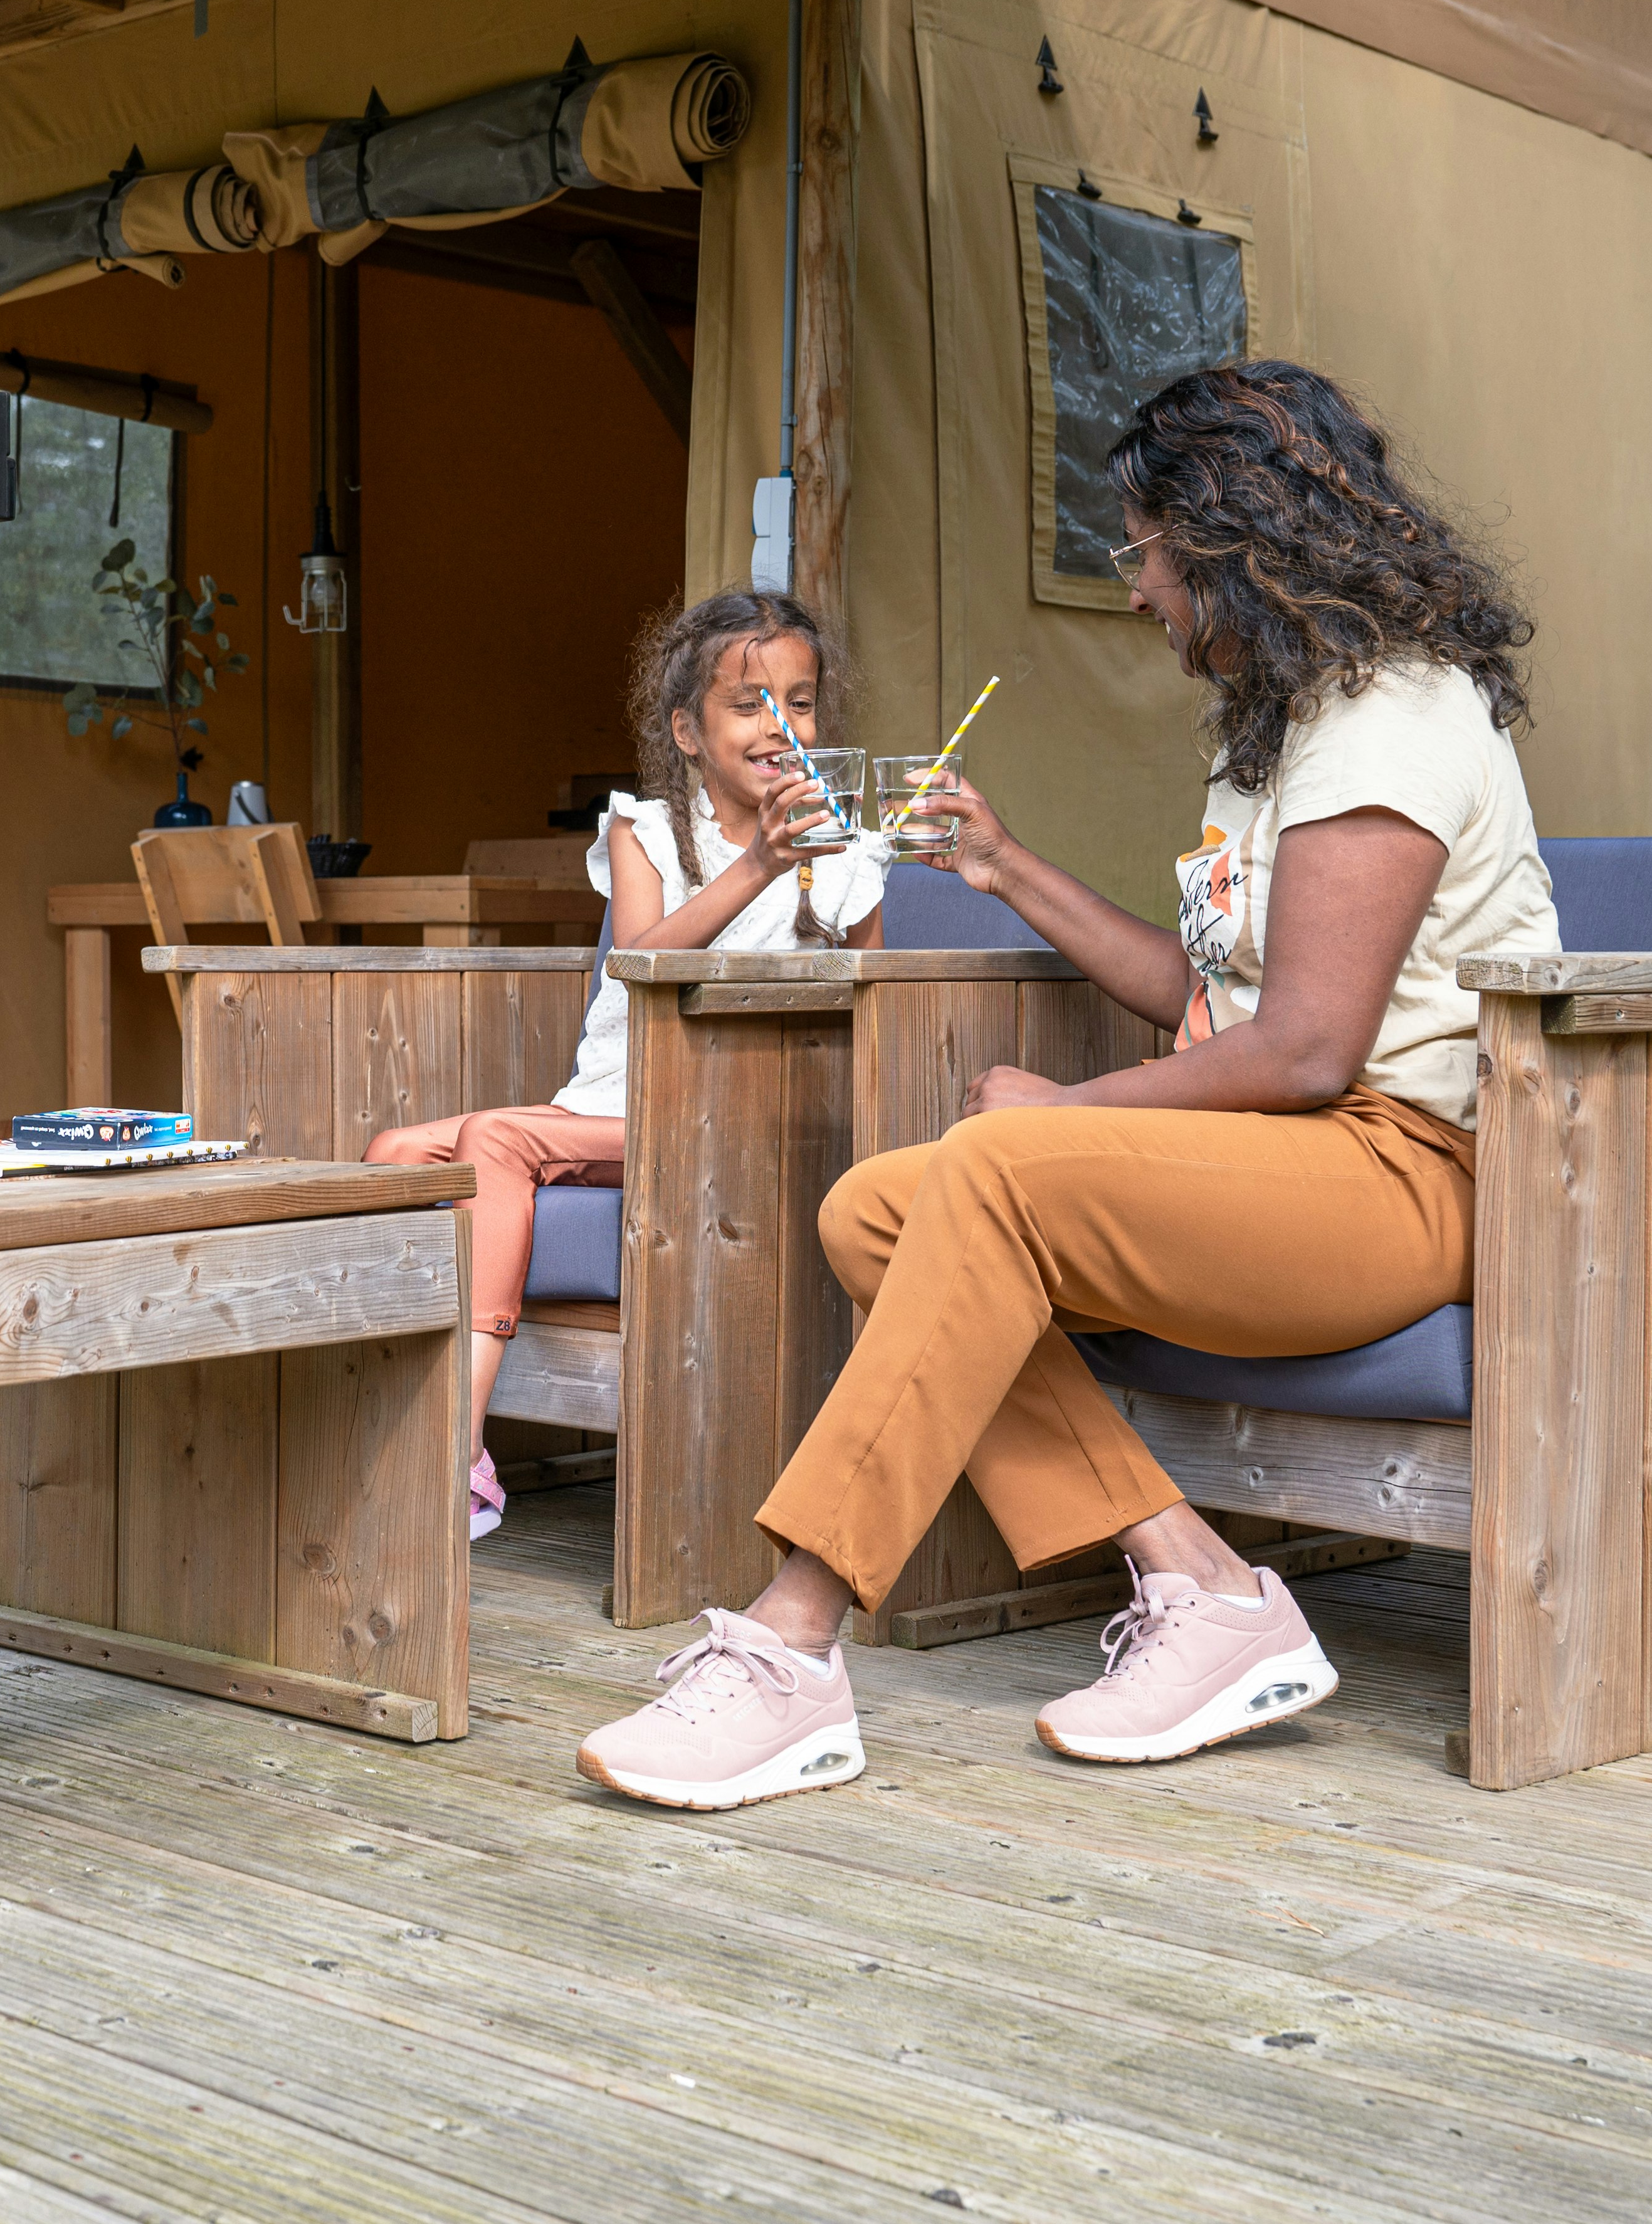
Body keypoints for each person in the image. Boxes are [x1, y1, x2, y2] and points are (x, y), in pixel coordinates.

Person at [575, 361, 1560, 1808]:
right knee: (872, 1212)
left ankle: (791, 1645)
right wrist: (1003, 862)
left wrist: (1064, 1115)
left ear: (1223, 533)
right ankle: (1200, 1583)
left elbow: (1307, 1049)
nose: (1141, 588)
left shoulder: (1392, 716)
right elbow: (1209, 991)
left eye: (1144, 551)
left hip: (1402, 1170)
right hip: (1293, 1153)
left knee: (981, 1168)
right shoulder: (1282, 726)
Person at [369, 588, 888, 1539]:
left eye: (802, 701)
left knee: (492, 1138)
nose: (782, 724)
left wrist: (791, 863)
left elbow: (872, 1001)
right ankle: (391, 1411)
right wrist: (756, 865)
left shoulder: (846, 852)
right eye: (749, 703)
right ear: (689, 732)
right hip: (616, 1099)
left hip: (725, 1108)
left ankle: (457, 1455)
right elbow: (643, 960)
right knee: (396, 1150)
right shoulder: (645, 829)